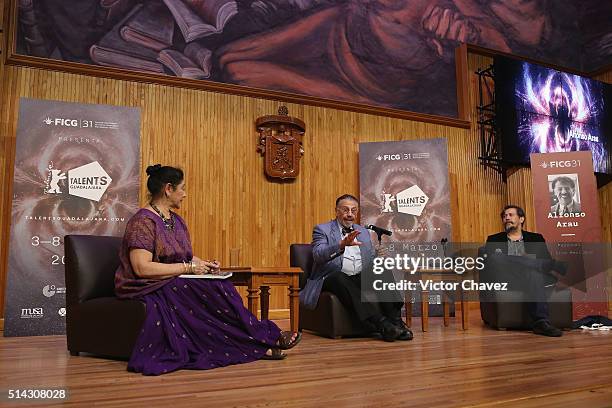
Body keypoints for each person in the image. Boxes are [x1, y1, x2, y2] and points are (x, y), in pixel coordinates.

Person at [115, 164, 301, 375]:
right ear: (168, 189)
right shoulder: (143, 222)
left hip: (173, 277)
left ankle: (257, 338)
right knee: (204, 290)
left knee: (221, 283)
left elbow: (182, 256)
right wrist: (189, 268)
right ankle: (258, 342)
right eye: (182, 188)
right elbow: (142, 268)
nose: (185, 194)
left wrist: (203, 264)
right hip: (147, 285)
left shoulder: (176, 221)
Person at [300, 194, 412, 342]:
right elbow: (318, 255)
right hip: (331, 278)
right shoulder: (322, 229)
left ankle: (396, 321)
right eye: (345, 210)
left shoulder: (363, 232)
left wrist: (377, 257)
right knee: (339, 277)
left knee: (381, 267)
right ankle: (382, 324)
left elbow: (368, 260)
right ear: (336, 211)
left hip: (358, 277)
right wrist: (341, 245)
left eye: (354, 210)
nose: (350, 214)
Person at [485, 205, 564, 337]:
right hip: (508, 278)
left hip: (532, 278)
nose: (507, 218)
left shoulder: (536, 238)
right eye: (504, 216)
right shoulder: (494, 239)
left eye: (511, 215)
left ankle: (541, 323)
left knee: (533, 272)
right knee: (497, 258)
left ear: (521, 219)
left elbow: (546, 261)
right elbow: (491, 265)